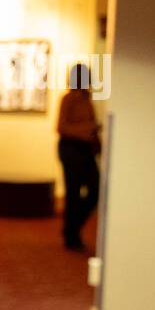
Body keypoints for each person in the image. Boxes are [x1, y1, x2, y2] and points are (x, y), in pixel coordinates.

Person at [56, 61, 101, 251]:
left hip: (86, 150)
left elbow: (91, 125)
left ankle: (72, 226)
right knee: (73, 193)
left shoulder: (87, 100)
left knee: (95, 189)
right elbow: (61, 127)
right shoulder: (69, 99)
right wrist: (86, 130)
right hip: (71, 150)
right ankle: (71, 234)